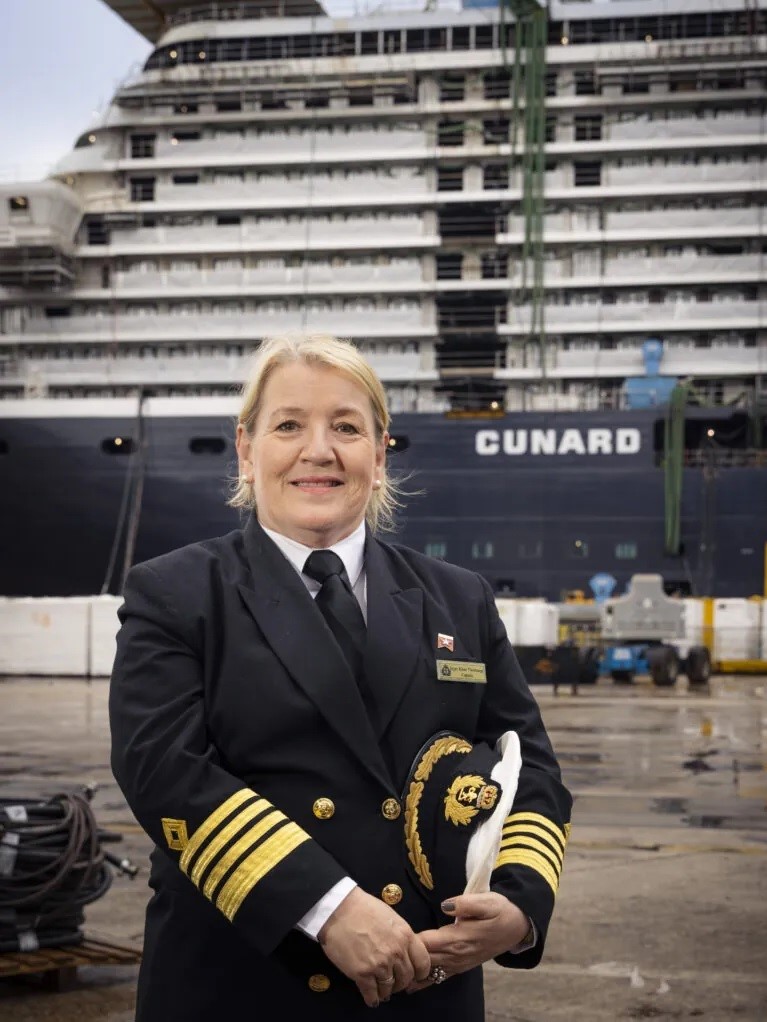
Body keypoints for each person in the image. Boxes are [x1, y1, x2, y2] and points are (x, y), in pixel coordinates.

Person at [109, 333, 572, 1022]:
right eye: (288, 425)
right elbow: (163, 772)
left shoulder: (458, 597)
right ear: (246, 448)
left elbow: (529, 764)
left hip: (424, 988)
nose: (318, 450)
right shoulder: (175, 593)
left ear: (379, 455)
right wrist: (325, 907)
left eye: (346, 427)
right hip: (238, 985)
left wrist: (519, 900)